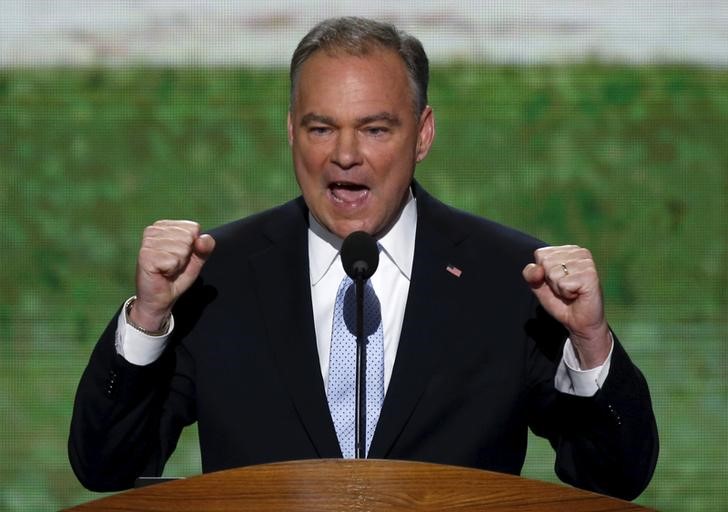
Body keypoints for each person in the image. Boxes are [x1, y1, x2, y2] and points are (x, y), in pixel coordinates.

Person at [69, 16, 658, 500]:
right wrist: (147, 320)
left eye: (375, 129)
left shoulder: (508, 277)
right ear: (291, 134)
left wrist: (591, 342)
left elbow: (614, 480)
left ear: (422, 135)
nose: (345, 155)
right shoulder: (217, 275)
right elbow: (107, 469)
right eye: (321, 128)